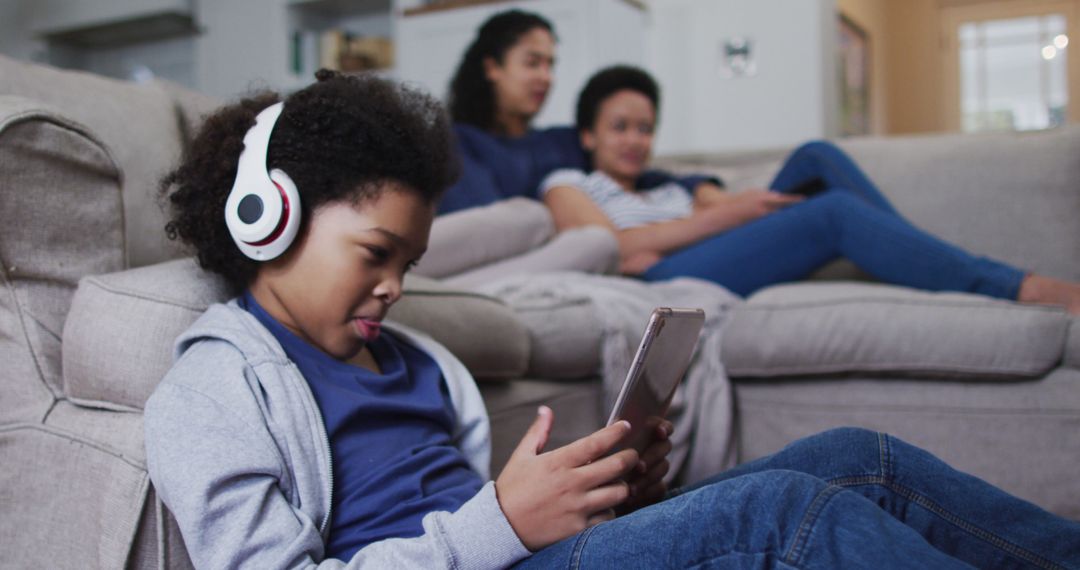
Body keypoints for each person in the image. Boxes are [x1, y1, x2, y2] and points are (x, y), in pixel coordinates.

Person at [144, 70, 1080, 569]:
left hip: (514, 555)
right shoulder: (214, 388)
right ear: (265, 218)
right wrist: (500, 524)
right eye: (375, 254)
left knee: (857, 457)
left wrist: (602, 495)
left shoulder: (418, 361)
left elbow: (490, 520)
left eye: (409, 263)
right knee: (779, 516)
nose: (394, 286)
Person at [542, 65, 1080, 314]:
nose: (635, 140)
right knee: (835, 214)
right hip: (662, 281)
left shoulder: (672, 187)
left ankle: (927, 257)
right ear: (588, 134)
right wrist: (723, 219)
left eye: (645, 127)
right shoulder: (568, 183)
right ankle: (1017, 288)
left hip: (691, 251)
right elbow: (611, 248)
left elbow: (713, 214)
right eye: (619, 127)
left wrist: (696, 219)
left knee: (815, 156)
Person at [439, 9, 717, 215]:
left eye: (551, 65)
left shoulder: (564, 143)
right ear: (492, 68)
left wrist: (698, 186)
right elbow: (483, 226)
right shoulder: (459, 143)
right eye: (532, 63)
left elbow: (631, 170)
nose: (546, 77)